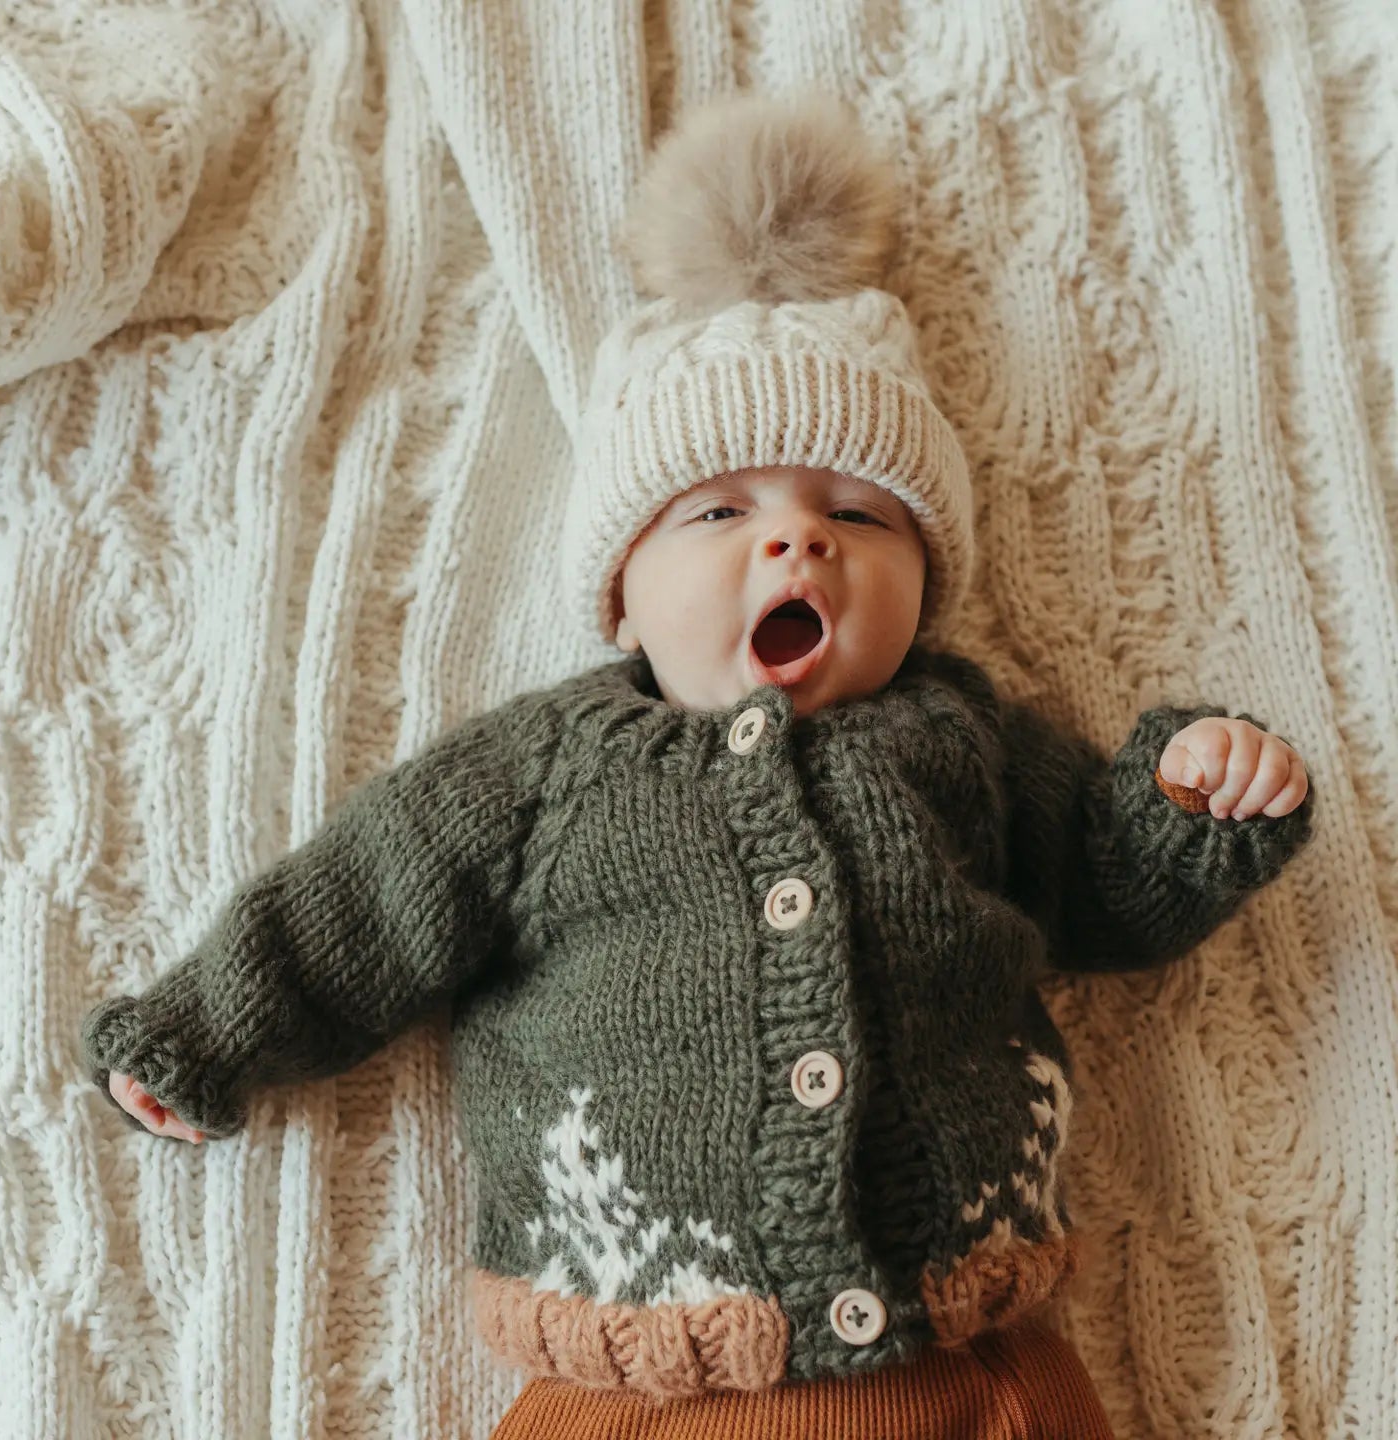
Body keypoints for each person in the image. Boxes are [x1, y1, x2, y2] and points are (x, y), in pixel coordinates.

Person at [83, 92, 1314, 1438]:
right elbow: (360, 906)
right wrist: (205, 1032)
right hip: (630, 1380)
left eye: (859, 516)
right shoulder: (540, 771)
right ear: (621, 597)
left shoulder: (964, 738)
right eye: (721, 511)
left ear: (926, 588)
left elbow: (1103, 887)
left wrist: (1189, 802)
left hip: (970, 1366)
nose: (798, 542)